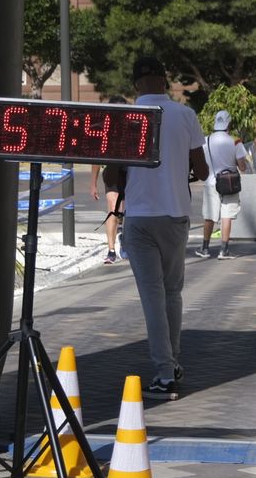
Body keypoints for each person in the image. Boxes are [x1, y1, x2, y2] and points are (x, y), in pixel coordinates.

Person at [121, 55, 207, 401]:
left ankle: (164, 372)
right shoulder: (185, 115)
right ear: (164, 79)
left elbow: (113, 174)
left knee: (152, 298)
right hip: (176, 215)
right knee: (172, 293)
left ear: (135, 84)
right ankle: (173, 362)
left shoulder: (127, 117)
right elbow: (203, 171)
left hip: (140, 218)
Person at [196, 110, 250, 260]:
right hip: (230, 183)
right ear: (229, 124)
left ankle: (205, 248)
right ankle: (224, 250)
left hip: (211, 183)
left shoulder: (205, 141)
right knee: (227, 216)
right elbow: (242, 167)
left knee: (209, 217)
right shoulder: (235, 142)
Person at [89, 95, 130, 264]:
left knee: (127, 211)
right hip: (112, 173)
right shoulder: (103, 130)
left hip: (129, 172)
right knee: (113, 209)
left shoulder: (131, 128)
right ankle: (111, 250)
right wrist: (93, 184)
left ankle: (124, 238)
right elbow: (96, 159)